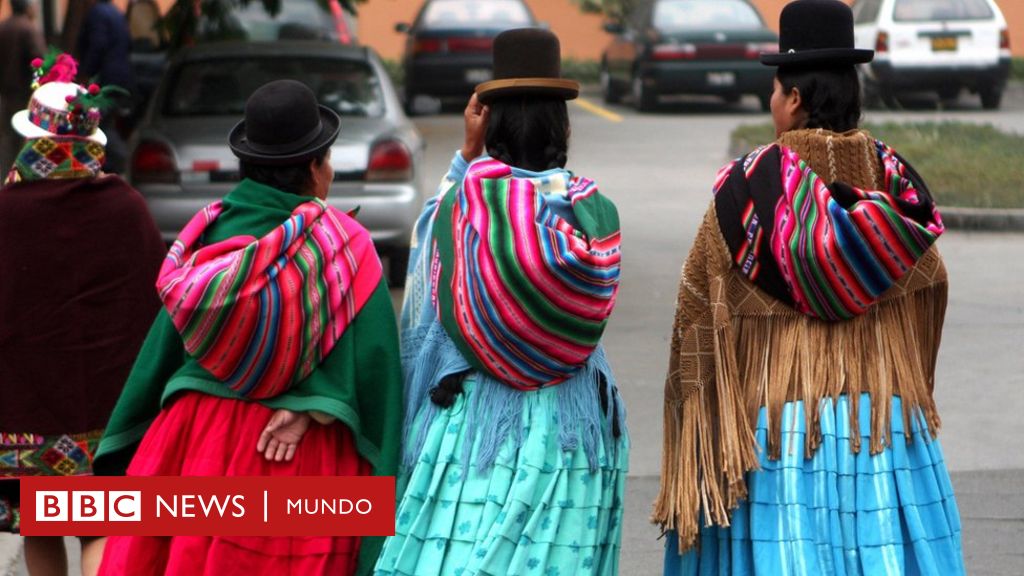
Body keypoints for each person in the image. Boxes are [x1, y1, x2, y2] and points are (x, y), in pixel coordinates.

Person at [653, 1, 965, 574]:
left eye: (775, 90)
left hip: (779, 431)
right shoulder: (897, 188)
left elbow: (697, 312)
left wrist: (700, 431)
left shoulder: (744, 192)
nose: (771, 102)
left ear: (793, 99)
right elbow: (930, 286)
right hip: (883, 426)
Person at [92, 80, 405, 575]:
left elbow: (162, 353)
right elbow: (375, 365)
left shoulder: (206, 234)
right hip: (300, 463)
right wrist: (318, 405)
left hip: (196, 446)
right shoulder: (344, 245)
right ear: (313, 167)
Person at [374, 29, 628, 576]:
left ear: (487, 120)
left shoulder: (460, 208)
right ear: (562, 124)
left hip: (475, 433)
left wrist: (466, 157)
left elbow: (425, 292)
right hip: (572, 432)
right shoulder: (592, 214)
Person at [0, 52, 165, 576]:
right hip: (109, 411)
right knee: (98, 525)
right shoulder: (127, 207)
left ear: (33, 141)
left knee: (39, 522)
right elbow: (159, 301)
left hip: (24, 411)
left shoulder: (5, 213)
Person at [75, 0, 133, 173]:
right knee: (107, 123)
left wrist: (86, 72)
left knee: (100, 125)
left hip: (104, 79)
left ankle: (124, 162)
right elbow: (130, 43)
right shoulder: (116, 13)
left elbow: (98, 45)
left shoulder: (97, 14)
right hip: (122, 77)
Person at [0, 0, 45, 169]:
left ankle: (7, 177)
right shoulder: (28, 28)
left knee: (8, 138)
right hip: (24, 91)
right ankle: (22, 174)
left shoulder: (3, 27)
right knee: (24, 137)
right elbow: (39, 59)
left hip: (5, 91)